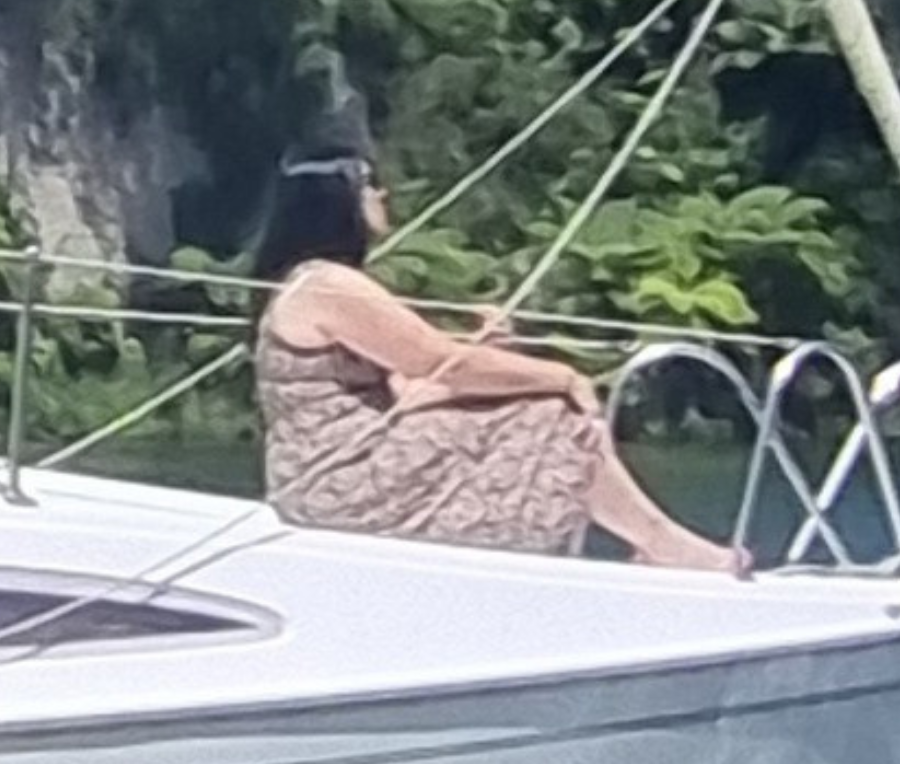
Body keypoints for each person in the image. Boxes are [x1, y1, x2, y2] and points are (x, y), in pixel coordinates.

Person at [247, 153, 746, 573]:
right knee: (553, 412)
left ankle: (657, 540)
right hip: (339, 476)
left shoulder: (315, 284)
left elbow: (410, 389)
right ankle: (661, 541)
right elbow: (438, 362)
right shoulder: (329, 285)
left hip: (326, 472)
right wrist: (563, 377)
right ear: (335, 205)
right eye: (369, 186)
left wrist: (491, 354)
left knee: (529, 404)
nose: (383, 194)